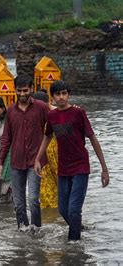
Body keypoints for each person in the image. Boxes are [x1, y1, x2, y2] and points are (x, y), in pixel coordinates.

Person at [34, 80, 110, 241]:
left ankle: (74, 245)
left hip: (80, 165)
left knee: (74, 209)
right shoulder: (52, 116)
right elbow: (47, 137)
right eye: (57, 94)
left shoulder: (79, 113)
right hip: (63, 167)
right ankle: (79, 228)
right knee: (63, 209)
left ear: (68, 94)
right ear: (52, 97)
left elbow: (93, 139)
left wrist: (104, 168)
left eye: (64, 93)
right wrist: (37, 159)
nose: (61, 97)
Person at [0, 74, 49, 232]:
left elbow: (56, 119)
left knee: (33, 199)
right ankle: (23, 230)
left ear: (31, 89)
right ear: (15, 90)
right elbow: (6, 138)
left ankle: (37, 229)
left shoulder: (41, 107)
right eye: (19, 91)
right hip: (16, 162)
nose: (22, 94)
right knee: (19, 203)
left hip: (35, 161)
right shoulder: (11, 110)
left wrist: (70, 109)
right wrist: (0, 162)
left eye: (25, 90)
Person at [33, 91, 58, 208]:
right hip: (45, 163)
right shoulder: (33, 117)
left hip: (60, 162)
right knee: (47, 197)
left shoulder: (58, 115)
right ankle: (51, 222)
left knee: (65, 192)